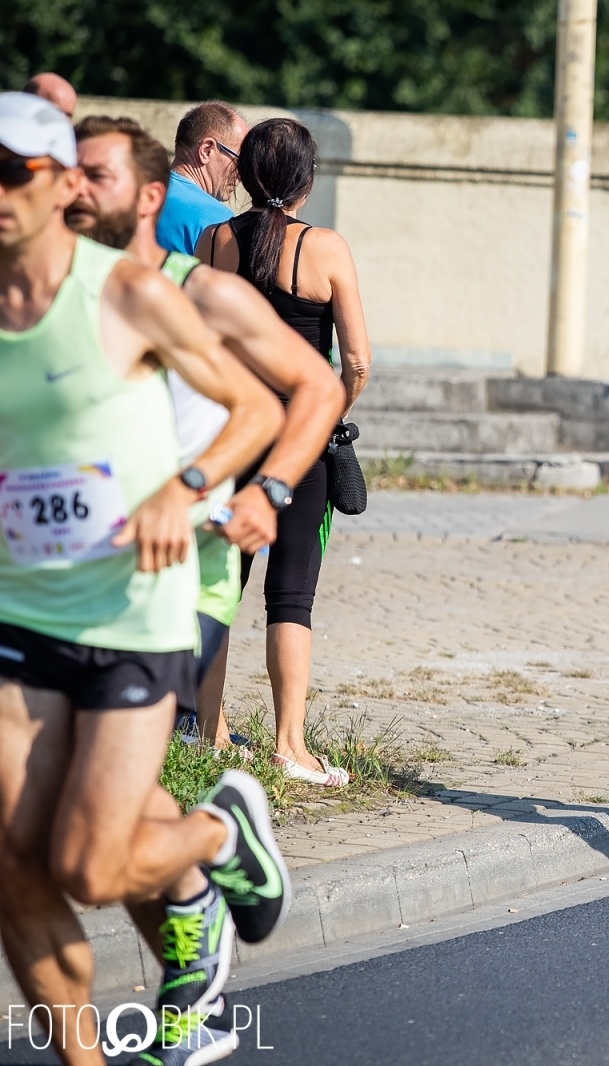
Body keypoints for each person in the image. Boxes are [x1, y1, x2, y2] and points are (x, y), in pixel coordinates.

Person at [0, 92, 292, 1066]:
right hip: (19, 609)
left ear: (57, 187)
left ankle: (216, 836)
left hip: (135, 608)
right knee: (13, 867)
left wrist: (193, 481)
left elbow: (253, 404)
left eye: (18, 174)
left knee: (87, 859)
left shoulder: (127, 294)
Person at [65, 113, 344, 1061]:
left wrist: (250, 486)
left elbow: (304, 391)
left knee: (92, 832)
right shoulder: (57, 299)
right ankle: (198, 971)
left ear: (151, 196)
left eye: (84, 176)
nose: (67, 193)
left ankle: (218, 841)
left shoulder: (204, 288)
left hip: (185, 572)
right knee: (70, 830)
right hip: (70, 583)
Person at [199, 117, 370, 787]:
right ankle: (290, 747)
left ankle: (208, 734)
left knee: (219, 589)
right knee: (290, 594)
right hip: (300, 446)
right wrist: (328, 416)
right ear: (308, 179)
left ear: (242, 176)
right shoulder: (325, 249)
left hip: (229, 433)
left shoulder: (218, 241)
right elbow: (355, 359)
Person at [155, 101, 246, 256]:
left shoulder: (142, 194)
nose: (242, 174)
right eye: (240, 161)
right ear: (207, 150)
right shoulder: (218, 223)